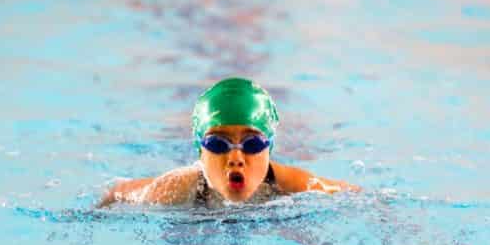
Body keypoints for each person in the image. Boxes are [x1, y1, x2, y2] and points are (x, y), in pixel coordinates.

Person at [99, 77, 359, 207]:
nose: (236, 157)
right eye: (218, 144)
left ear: (269, 147)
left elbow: (357, 196)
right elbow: (119, 192)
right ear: (200, 150)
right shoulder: (178, 187)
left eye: (253, 144)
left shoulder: (296, 186)